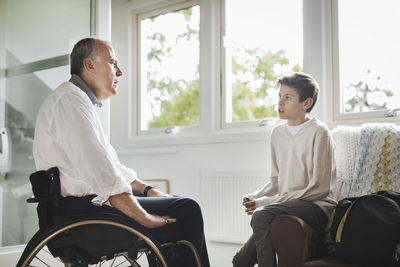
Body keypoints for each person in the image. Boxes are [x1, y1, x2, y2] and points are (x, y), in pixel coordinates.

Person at [33, 37, 210, 267]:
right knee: (187, 209)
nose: (120, 71)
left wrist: (149, 190)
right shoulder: (70, 101)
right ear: (89, 65)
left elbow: (114, 168)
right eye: (113, 63)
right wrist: (143, 217)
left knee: (175, 202)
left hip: (87, 206)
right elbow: (102, 172)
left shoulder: (80, 102)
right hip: (80, 212)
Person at [232, 72, 337, 267]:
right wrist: (255, 197)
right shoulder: (277, 134)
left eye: (287, 98)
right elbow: (275, 181)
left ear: (306, 103)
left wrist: (266, 202)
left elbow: (320, 189)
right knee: (240, 261)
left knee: (261, 215)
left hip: (316, 206)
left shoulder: (319, 132)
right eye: (279, 96)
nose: (280, 102)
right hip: (285, 204)